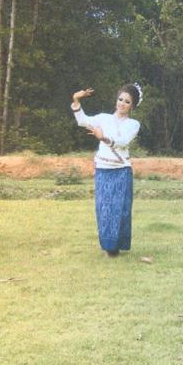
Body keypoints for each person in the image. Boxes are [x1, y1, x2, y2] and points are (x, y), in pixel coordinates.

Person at [71, 83, 142, 256]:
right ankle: (108, 247)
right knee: (104, 208)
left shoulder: (133, 124)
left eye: (127, 102)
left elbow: (123, 141)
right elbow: (82, 121)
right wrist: (76, 100)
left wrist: (103, 138)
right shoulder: (103, 118)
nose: (122, 104)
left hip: (121, 171)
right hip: (103, 169)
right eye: (120, 99)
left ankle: (116, 246)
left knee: (120, 209)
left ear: (132, 106)